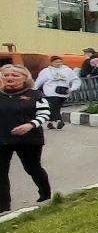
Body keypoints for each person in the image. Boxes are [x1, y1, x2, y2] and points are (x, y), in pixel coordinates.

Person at [1, 63, 53, 212]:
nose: (10, 78)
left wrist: (30, 125)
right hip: (3, 139)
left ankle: (45, 195)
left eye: (15, 75)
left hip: (29, 139)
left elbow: (44, 114)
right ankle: (3, 207)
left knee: (32, 168)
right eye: (6, 75)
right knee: (1, 173)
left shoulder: (35, 95)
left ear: (25, 78)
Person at [32, 57, 77, 128]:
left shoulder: (67, 70)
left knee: (55, 107)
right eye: (56, 62)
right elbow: (39, 81)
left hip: (63, 93)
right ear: (51, 63)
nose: (59, 63)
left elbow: (75, 80)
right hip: (50, 92)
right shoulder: (46, 71)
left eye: (60, 62)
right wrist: (32, 90)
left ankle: (50, 123)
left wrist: (72, 88)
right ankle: (59, 120)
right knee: (53, 107)